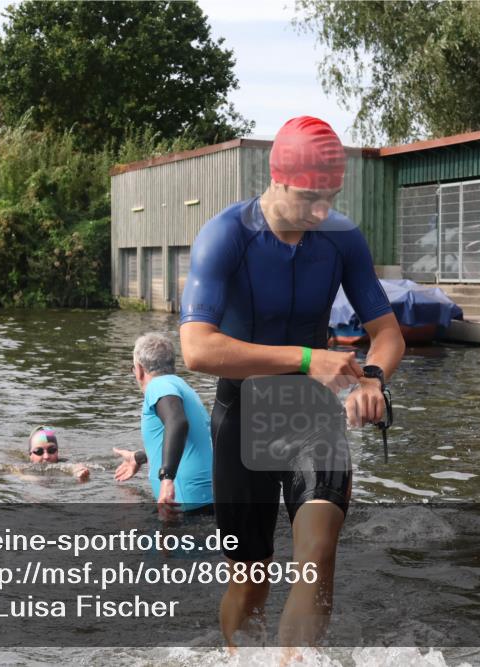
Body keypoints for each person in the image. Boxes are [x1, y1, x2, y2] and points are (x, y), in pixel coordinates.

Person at [179, 116, 405, 649]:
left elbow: (388, 333)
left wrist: (371, 378)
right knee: (251, 580)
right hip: (242, 417)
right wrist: (308, 358)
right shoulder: (226, 236)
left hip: (312, 416)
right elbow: (196, 349)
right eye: (310, 197)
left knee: (318, 554)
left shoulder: (340, 239)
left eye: (331, 196)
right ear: (277, 178)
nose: (322, 211)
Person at [112, 333, 213, 519]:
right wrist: (139, 457)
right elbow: (184, 439)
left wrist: (167, 479)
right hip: (208, 497)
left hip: (183, 501)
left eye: (132, 369)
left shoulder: (157, 386)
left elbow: (177, 423)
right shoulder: (182, 386)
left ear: (140, 369)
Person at [25, 426, 90, 482]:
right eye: (39, 451)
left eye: (51, 450)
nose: (46, 456)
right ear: (30, 455)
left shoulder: (63, 463)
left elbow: (75, 466)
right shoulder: (24, 465)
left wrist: (79, 471)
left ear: (57, 452)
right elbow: (15, 471)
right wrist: (24, 476)